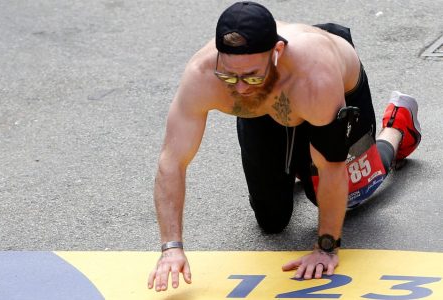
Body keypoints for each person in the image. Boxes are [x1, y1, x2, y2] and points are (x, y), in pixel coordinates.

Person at [147, 1, 422, 292]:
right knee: (271, 219)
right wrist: (171, 248)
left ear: (276, 53)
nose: (240, 88)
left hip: (327, 87)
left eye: (251, 75)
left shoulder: (315, 77)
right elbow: (172, 161)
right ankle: (302, 162)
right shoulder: (202, 75)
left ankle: (397, 130)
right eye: (229, 76)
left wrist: (326, 247)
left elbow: (332, 167)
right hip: (269, 109)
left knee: (348, 195)